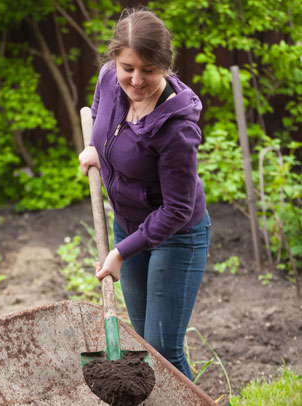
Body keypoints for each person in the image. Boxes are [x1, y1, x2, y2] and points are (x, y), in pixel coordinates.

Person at [79, 8, 211, 381]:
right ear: (115, 60)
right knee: (146, 346)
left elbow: (178, 209)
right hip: (129, 227)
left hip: (177, 236)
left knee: (163, 351)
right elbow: (101, 113)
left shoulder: (177, 130)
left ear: (166, 67)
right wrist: (95, 148)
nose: (136, 80)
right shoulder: (109, 78)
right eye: (128, 67)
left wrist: (119, 252)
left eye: (148, 70)